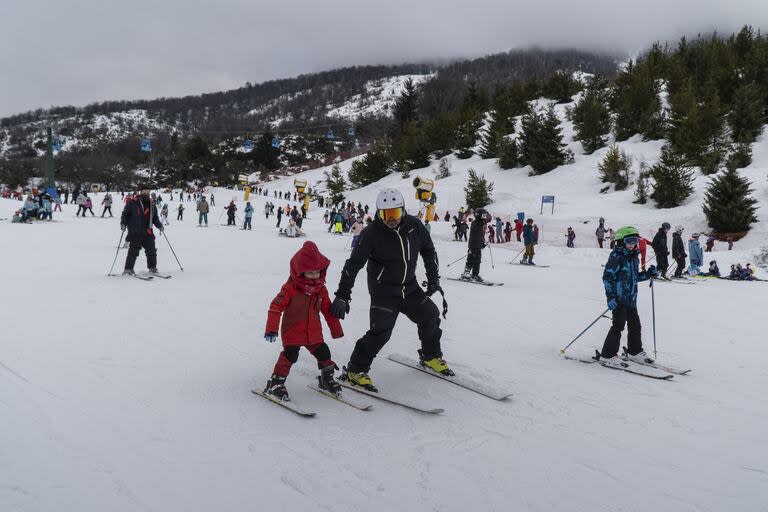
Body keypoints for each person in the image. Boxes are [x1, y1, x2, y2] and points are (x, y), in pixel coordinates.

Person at [329, 189, 449, 391]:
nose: (391, 219)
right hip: (383, 292)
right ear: (379, 213)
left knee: (430, 315)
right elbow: (353, 265)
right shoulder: (371, 233)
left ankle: (431, 356)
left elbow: (428, 250)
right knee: (381, 333)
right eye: (386, 215)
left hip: (409, 288)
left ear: (403, 211)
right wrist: (342, 295)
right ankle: (355, 370)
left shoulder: (414, 225)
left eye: (395, 214)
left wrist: (433, 278)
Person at [263, 241, 344, 401]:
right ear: (300, 271)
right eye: (310, 272)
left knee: (324, 353)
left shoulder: (321, 289)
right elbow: (275, 307)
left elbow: (328, 311)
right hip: (293, 330)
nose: (315, 275)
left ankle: (326, 379)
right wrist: (271, 328)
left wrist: (336, 330)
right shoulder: (290, 289)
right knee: (290, 355)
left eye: (317, 272)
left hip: (313, 332)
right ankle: (276, 382)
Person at [599, 226, 658, 367]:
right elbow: (608, 277)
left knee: (635, 325)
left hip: (631, 298)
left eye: (635, 240)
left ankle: (634, 352)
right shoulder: (616, 256)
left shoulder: (633, 257)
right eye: (629, 241)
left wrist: (648, 274)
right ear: (620, 242)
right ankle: (607, 355)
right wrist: (611, 296)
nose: (632, 244)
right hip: (619, 299)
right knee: (618, 325)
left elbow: (634, 277)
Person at [120, 189, 164, 276]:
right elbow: (125, 214)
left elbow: (155, 218)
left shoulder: (152, 204)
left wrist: (159, 226)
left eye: (148, 192)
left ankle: (152, 268)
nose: (146, 193)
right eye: (144, 191)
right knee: (133, 251)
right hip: (136, 231)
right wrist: (123, 223)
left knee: (151, 251)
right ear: (140, 192)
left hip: (148, 231)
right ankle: (128, 269)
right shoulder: (133, 203)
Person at [462, 208, 491, 282]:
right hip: (473, 245)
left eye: (485, 216)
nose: (485, 217)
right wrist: (485, 220)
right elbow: (481, 225)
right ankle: (466, 273)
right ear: (479, 216)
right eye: (483, 216)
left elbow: (480, 236)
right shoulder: (475, 223)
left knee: (477, 260)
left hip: (478, 245)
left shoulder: (481, 223)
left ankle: (475, 274)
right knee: (471, 259)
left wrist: (483, 244)